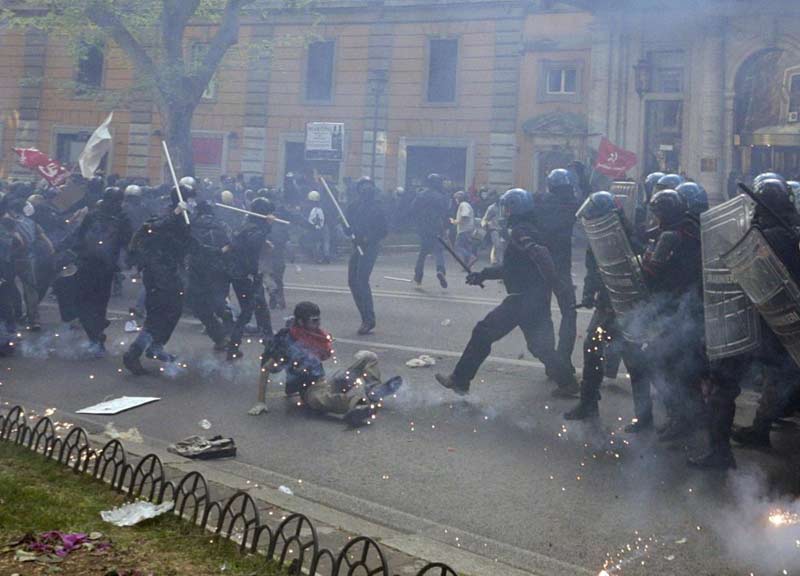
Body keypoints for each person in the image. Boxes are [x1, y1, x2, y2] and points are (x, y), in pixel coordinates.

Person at [435, 188, 578, 396]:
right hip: (535, 298)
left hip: (523, 299)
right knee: (540, 347)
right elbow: (513, 268)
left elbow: (541, 255)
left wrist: (553, 281)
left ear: (515, 208)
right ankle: (568, 383)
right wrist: (483, 275)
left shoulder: (521, 231)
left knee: (483, 332)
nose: (506, 212)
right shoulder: (530, 228)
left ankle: (460, 380)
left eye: (508, 208)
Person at [563, 192, 653, 431]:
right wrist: (587, 295)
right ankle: (588, 404)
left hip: (628, 308)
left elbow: (643, 269)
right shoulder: (597, 240)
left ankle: (644, 417)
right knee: (592, 350)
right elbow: (593, 272)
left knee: (633, 361)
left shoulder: (629, 238)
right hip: (606, 305)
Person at [726, 177, 800, 455]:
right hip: (787, 310)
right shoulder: (790, 229)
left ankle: (761, 428)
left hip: (779, 312)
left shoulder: (772, 235)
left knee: (776, 372)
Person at [249, 301, 399, 427]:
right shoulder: (288, 343)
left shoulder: (315, 336)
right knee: (319, 400)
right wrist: (261, 402)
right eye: (314, 321)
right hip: (310, 391)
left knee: (368, 358)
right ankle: (358, 405)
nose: (318, 324)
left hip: (325, 382)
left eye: (318, 320)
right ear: (301, 322)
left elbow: (322, 354)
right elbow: (266, 368)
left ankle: (373, 390)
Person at [641, 188, 705, 442]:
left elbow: (651, 273)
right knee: (688, 366)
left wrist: (641, 262)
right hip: (693, 306)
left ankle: (681, 418)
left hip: (676, 308)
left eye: (658, 214)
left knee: (659, 361)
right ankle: (695, 416)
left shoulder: (670, 236)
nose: (655, 218)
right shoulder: (690, 227)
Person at [122, 186, 192, 375]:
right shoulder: (167, 216)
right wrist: (175, 214)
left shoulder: (185, 219)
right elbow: (154, 227)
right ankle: (133, 353)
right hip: (159, 275)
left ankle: (156, 346)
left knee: (173, 312)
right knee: (158, 315)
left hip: (170, 273)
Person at [68, 187, 132, 356]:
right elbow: (127, 241)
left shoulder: (93, 215)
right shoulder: (123, 218)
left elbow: (79, 237)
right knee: (100, 303)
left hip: (87, 264)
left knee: (83, 301)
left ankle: (94, 335)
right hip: (106, 267)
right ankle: (97, 334)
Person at [538, 168, 579, 374]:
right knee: (569, 313)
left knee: (543, 314)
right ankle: (563, 359)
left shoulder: (539, 201)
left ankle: (550, 363)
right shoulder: (571, 204)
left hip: (540, 266)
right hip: (561, 267)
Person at [225, 197, 274, 360]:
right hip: (246, 276)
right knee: (253, 311)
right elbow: (253, 243)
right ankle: (269, 346)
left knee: (257, 310)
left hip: (242, 275)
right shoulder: (254, 228)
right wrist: (267, 227)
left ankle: (236, 346)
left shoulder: (245, 226)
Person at [187, 201, 232, 351]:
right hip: (220, 270)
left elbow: (193, 248)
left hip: (199, 271)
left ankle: (220, 337)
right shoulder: (223, 225)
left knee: (200, 307)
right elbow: (230, 246)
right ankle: (230, 332)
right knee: (219, 302)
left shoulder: (192, 226)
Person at [346, 177, 388, 335]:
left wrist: (366, 239)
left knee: (361, 280)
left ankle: (368, 320)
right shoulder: (354, 206)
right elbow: (348, 224)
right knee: (352, 280)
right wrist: (346, 229)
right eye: (363, 188)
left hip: (370, 247)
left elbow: (383, 231)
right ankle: (364, 315)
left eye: (368, 188)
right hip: (357, 247)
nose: (366, 191)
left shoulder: (377, 208)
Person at [411, 173, 449, 288]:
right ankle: (440, 270)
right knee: (438, 250)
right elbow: (444, 213)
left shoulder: (421, 194)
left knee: (423, 252)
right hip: (436, 227)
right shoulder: (440, 196)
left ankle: (418, 276)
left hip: (423, 228)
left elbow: (413, 208)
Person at [452, 190, 477, 267]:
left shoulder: (463, 205)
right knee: (466, 246)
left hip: (464, 229)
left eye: (456, 198)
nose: (455, 200)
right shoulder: (467, 204)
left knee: (458, 246)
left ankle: (471, 256)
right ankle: (467, 264)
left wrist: (456, 222)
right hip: (468, 229)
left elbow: (465, 215)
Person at [481, 190, 505, 266]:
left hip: (503, 229)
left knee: (501, 246)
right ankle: (499, 262)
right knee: (497, 245)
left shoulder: (504, 206)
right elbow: (485, 218)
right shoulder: (491, 208)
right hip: (494, 229)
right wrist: (485, 226)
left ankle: (495, 260)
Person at [307, 190, 326, 263]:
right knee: (316, 243)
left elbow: (316, 220)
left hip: (316, 229)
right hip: (316, 228)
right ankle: (316, 257)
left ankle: (318, 258)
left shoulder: (317, 210)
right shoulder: (317, 209)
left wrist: (316, 226)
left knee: (317, 244)